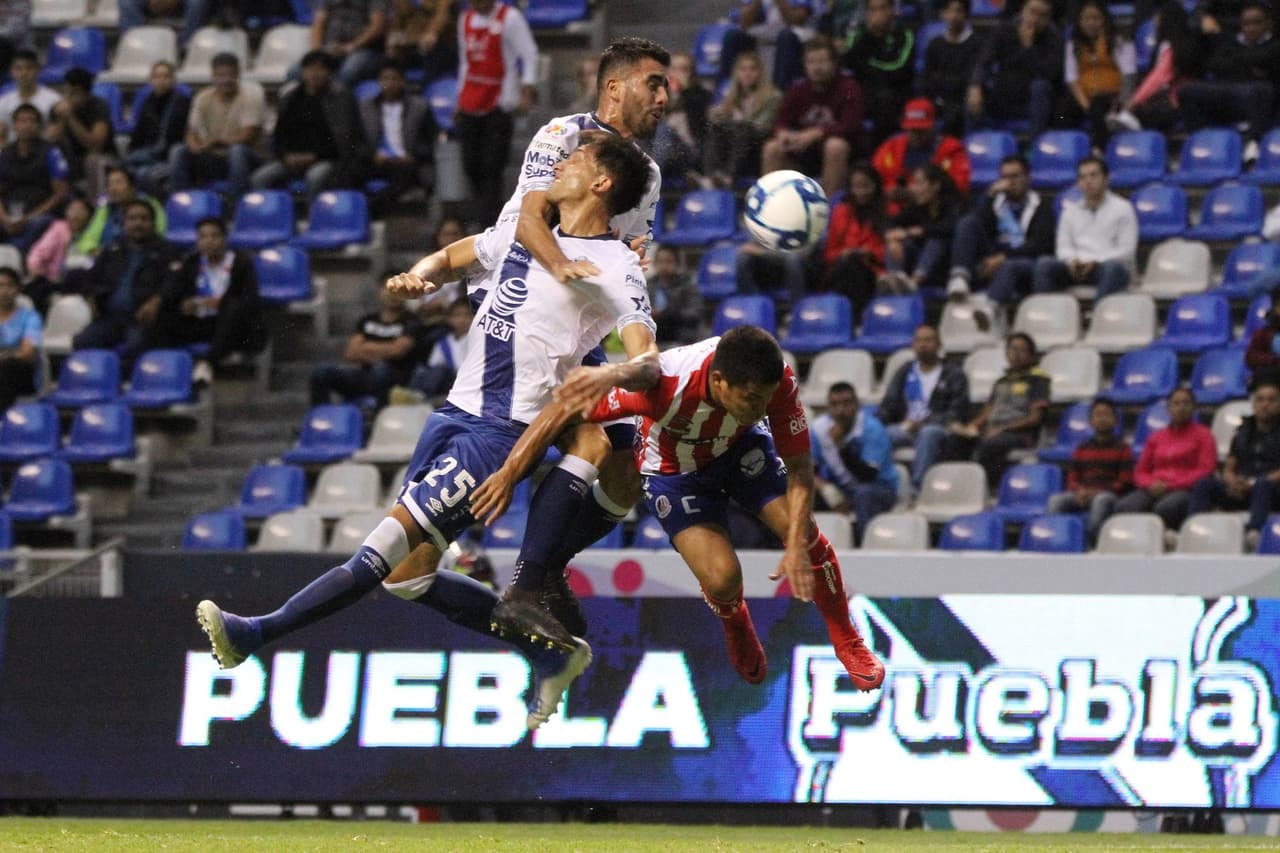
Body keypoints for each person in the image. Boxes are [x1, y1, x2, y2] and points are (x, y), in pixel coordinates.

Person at [196, 132, 658, 732]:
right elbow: (454, 257)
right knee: (406, 576)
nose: (562, 163)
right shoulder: (526, 234)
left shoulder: (616, 263)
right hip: (452, 415)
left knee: (380, 550)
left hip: (497, 434)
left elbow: (647, 354)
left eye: (577, 159)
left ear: (600, 183)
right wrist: (421, 274)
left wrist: (621, 368)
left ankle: (253, 634)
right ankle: (550, 653)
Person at [471, 326, 885, 692]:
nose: (762, 410)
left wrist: (793, 544)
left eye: (767, 400)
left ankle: (847, 638)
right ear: (719, 381)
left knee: (806, 535)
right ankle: (735, 622)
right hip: (675, 473)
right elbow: (560, 410)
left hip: (739, 449)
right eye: (752, 400)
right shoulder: (664, 385)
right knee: (723, 579)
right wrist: (509, 473)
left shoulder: (777, 384)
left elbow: (799, 470)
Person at [439, 39, 669, 637]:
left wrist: (629, 258)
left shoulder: (648, 175)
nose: (665, 98)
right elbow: (528, 220)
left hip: (582, 318)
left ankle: (543, 568)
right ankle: (510, 571)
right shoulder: (562, 135)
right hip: (523, 301)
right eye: (655, 84)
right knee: (582, 442)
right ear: (615, 87)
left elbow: (624, 245)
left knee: (626, 468)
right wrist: (567, 268)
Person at [453, 0, 538, 227]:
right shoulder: (466, 19)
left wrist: (526, 88)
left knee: (492, 166)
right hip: (471, 98)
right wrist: (459, 98)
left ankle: (489, 221)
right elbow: (464, 61)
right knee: (470, 163)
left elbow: (528, 53)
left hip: (499, 101)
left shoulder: (509, 18)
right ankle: (480, 211)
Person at [153, 217, 266, 385]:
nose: (209, 241)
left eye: (214, 236)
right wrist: (185, 303)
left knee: (233, 308)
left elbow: (250, 299)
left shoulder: (241, 262)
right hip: (201, 320)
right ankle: (162, 369)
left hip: (233, 324)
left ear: (225, 239)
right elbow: (177, 292)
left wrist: (222, 303)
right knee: (163, 313)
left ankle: (207, 362)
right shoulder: (191, 262)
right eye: (203, 237)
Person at [946, 154, 1054, 328]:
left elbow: (1040, 245)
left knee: (1009, 266)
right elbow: (977, 227)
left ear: (1027, 177)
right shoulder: (996, 203)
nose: (1010, 182)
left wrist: (1003, 257)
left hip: (1026, 263)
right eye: (1005, 177)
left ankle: (991, 309)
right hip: (993, 260)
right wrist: (990, 195)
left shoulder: (1042, 205)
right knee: (967, 223)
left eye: (1015, 176)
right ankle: (959, 278)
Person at [251, 51, 368, 201]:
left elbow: (344, 141)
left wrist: (314, 156)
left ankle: (316, 219)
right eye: (310, 69)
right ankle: (265, 220)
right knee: (259, 178)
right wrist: (286, 156)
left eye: (320, 69)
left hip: (327, 159)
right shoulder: (290, 98)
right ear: (303, 72)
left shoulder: (342, 98)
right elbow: (279, 136)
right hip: (292, 160)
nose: (315, 74)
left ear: (330, 73)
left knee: (315, 177)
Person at [72, 199, 177, 363]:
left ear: (153, 223)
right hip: (110, 318)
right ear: (124, 222)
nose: (138, 224)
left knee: (135, 347)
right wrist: (90, 297)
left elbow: (174, 282)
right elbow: (90, 278)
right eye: (132, 219)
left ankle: (125, 385)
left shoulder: (166, 250)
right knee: (82, 342)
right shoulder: (113, 248)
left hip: (142, 320)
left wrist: (157, 300)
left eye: (144, 219)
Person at [945, 332, 1050, 489]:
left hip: (1020, 434)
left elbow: (1034, 418)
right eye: (1013, 349)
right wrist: (970, 427)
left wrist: (1002, 429)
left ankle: (986, 488)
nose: (1016, 354)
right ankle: (959, 486)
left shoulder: (1038, 380)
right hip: (994, 430)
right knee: (954, 441)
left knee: (991, 444)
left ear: (1031, 355)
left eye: (1022, 350)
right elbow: (988, 412)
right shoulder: (1000, 382)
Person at [762, 38, 864, 199]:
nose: (817, 68)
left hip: (841, 154)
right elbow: (781, 121)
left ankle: (829, 208)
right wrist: (783, 133)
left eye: (822, 61)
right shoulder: (797, 90)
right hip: (803, 152)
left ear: (834, 63)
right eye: (811, 62)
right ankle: (770, 206)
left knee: (835, 146)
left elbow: (851, 125)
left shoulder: (849, 88)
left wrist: (817, 133)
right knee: (772, 148)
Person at [877, 323, 970, 492]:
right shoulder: (905, 371)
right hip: (906, 428)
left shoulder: (953, 373)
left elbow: (957, 411)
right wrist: (875, 425)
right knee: (883, 434)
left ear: (939, 344)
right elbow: (888, 404)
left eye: (928, 340)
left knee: (928, 434)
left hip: (939, 428)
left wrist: (925, 422)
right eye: (918, 340)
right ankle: (883, 484)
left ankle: (917, 488)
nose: (923, 344)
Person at [1188, 378, 1280, 542]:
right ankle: (1191, 530)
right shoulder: (1242, 431)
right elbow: (1229, 467)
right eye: (1260, 399)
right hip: (1242, 488)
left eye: (1271, 400)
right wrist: (1232, 482)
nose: (1265, 404)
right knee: (1205, 484)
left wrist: (1253, 483)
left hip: (1272, 489)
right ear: (1253, 404)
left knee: (1263, 485)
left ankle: (1254, 534)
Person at [1033, 157, 1137, 300]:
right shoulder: (1070, 211)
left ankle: (1097, 317)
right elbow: (1063, 247)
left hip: (1106, 268)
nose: (1088, 181)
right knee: (1044, 264)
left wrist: (1095, 261)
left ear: (1106, 179)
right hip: (1077, 268)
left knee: (1112, 268)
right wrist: (1072, 261)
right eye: (1082, 177)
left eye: (1093, 175)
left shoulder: (1123, 208)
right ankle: (1046, 316)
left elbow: (1126, 251)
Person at [1113, 387, 1217, 530]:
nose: (1181, 408)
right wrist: (1151, 484)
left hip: (1185, 489)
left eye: (1186, 403)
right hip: (1154, 487)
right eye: (1176, 403)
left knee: (1165, 508)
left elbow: (1206, 470)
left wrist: (1171, 485)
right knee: (1124, 506)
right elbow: (1140, 471)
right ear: (1168, 408)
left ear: (1194, 408)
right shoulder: (1157, 437)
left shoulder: (1204, 435)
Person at [1178, 1, 1280, 146]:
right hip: (1228, 92)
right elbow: (1214, 65)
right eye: (1246, 23)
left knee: (1261, 90)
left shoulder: (1275, 45)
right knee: (1186, 91)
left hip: (1261, 97)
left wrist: (1238, 61)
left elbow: (1268, 62)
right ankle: (1200, 141)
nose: (1251, 28)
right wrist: (1253, 63)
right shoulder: (1230, 42)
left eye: (1257, 23)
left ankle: (1252, 143)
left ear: (1269, 24)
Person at [169, 53, 267, 204]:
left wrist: (216, 142)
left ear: (238, 75)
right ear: (213, 76)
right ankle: (180, 205)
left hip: (247, 157)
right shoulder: (203, 97)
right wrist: (194, 145)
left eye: (231, 75)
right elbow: (191, 132)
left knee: (237, 151)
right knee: (178, 150)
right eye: (221, 75)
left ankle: (237, 208)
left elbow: (248, 136)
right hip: (214, 156)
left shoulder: (249, 97)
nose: (226, 80)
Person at [811, 381, 898, 544]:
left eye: (846, 403)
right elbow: (808, 470)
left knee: (863, 494)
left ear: (857, 405)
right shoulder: (818, 429)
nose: (841, 410)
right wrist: (827, 490)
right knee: (803, 492)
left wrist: (841, 446)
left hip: (880, 488)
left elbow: (868, 475)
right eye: (834, 404)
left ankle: (865, 545)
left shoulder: (872, 428)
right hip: (841, 487)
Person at [311, 285, 423, 410]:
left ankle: (377, 419)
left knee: (382, 369)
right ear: (380, 292)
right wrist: (386, 350)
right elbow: (351, 353)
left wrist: (367, 347)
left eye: (400, 290)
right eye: (389, 289)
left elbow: (398, 351)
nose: (394, 294)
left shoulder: (412, 321)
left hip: (396, 379)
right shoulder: (367, 320)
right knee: (322, 372)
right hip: (365, 375)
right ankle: (319, 419)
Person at [966, 0, 1062, 138]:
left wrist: (1029, 48)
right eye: (1032, 12)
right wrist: (976, 86)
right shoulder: (1004, 30)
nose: (1035, 19)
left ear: (1049, 19)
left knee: (1040, 86)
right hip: (1003, 95)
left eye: (1042, 16)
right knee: (973, 91)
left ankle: (1034, 146)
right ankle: (973, 143)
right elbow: (984, 61)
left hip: (1031, 102)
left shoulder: (1054, 38)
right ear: (1023, 10)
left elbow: (1048, 74)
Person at [1045, 397, 1133, 543]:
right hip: (1083, 494)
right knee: (1055, 501)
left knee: (1100, 500)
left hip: (1109, 495)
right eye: (1098, 415)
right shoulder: (1081, 448)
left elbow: (1124, 482)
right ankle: (1056, 541)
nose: (1102, 419)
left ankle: (1091, 544)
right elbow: (1072, 478)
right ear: (1090, 421)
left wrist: (1095, 492)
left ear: (1115, 421)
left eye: (1106, 415)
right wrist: (1080, 491)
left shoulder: (1123, 448)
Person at [358, 60, 437, 215]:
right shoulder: (365, 107)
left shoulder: (419, 106)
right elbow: (358, 140)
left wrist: (414, 156)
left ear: (402, 81)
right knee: (347, 171)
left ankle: (370, 211)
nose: (390, 83)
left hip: (407, 161)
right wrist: (373, 155)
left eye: (394, 79)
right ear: (379, 81)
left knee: (407, 175)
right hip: (377, 160)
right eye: (385, 79)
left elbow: (430, 140)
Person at [1115, 1, 1204, 134]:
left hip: (1179, 104)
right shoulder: (1161, 46)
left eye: (1158, 17)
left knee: (1140, 114)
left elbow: (1158, 78)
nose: (1154, 21)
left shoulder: (1178, 48)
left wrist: (1132, 104)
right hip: (1162, 100)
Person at [872, 97, 970, 213]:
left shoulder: (952, 149)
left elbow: (959, 188)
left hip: (934, 214)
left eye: (921, 130)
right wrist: (889, 190)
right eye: (912, 130)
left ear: (933, 126)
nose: (916, 135)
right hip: (893, 211)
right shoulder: (891, 147)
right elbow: (873, 177)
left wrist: (916, 193)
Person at [1063, 1, 1136, 151]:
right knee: (1062, 112)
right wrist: (1085, 105)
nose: (1091, 23)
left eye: (1096, 18)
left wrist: (1121, 102)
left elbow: (1128, 74)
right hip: (1084, 97)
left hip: (1112, 96)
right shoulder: (1073, 44)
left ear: (1104, 20)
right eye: (1086, 19)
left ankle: (1099, 150)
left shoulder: (1118, 40)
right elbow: (1071, 79)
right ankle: (1068, 152)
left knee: (1097, 105)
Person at [841, 0, 915, 147]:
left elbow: (898, 70)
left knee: (885, 99)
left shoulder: (905, 35)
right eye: (873, 10)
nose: (878, 14)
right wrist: (870, 35)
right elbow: (847, 62)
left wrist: (866, 67)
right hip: (863, 91)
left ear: (892, 11)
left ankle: (880, 155)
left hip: (894, 93)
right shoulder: (859, 36)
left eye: (882, 8)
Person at [703, 51, 781, 188]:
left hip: (759, 149)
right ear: (737, 73)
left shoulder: (772, 96)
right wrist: (716, 115)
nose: (747, 73)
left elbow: (763, 127)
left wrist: (737, 117)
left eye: (752, 69)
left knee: (743, 128)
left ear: (760, 73)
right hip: (736, 149)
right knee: (717, 128)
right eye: (743, 69)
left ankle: (727, 177)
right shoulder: (731, 97)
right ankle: (710, 176)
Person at [881, 163, 961, 294]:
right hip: (917, 259)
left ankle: (914, 282)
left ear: (935, 186)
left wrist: (922, 230)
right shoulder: (917, 207)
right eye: (914, 184)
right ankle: (895, 281)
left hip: (944, 266)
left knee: (937, 239)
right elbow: (890, 222)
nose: (913, 189)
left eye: (919, 183)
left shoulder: (953, 205)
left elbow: (951, 227)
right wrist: (891, 239)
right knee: (896, 242)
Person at [0, 103, 69, 252]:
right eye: (22, 121)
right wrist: (4, 218)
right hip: (8, 212)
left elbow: (60, 193)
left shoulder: (51, 153)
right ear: (14, 126)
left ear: (40, 126)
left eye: (32, 121)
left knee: (40, 224)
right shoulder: (4, 154)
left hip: (39, 213)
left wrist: (29, 218)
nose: (27, 125)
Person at [819, 161, 885, 316]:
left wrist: (869, 252)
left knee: (854, 267)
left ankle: (850, 318)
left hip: (873, 271)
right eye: (857, 187)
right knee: (848, 266)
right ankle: (847, 318)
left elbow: (887, 249)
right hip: (842, 269)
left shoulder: (886, 210)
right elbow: (829, 253)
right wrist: (844, 253)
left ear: (875, 186)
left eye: (866, 186)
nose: (861, 192)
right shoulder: (841, 211)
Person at [46, 67, 117, 199]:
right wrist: (62, 118)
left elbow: (96, 145)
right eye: (67, 91)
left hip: (103, 158)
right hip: (72, 159)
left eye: (75, 93)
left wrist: (71, 118)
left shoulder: (99, 106)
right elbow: (50, 139)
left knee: (92, 160)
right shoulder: (58, 108)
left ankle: (97, 206)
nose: (69, 96)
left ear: (86, 93)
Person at [124, 61, 191, 194]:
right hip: (147, 155)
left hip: (169, 158)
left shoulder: (182, 103)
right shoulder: (148, 102)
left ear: (173, 80)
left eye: (166, 76)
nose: (161, 80)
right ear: (151, 80)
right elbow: (138, 133)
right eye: (157, 76)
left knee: (144, 174)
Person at [652, 52, 713, 189]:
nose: (678, 74)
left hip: (689, 152)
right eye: (674, 69)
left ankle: (649, 185)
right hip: (663, 152)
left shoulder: (700, 95)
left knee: (664, 131)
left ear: (692, 73)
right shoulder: (657, 95)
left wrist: (686, 90)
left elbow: (700, 121)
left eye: (684, 69)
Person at [76, 166, 167, 257]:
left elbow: (160, 235)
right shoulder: (105, 209)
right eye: (110, 184)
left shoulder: (149, 205)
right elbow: (86, 240)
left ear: (132, 187)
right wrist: (95, 251)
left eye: (118, 183)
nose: (113, 188)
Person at [920, 0, 980, 137]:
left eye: (958, 11)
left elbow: (970, 77)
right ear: (943, 14)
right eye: (949, 11)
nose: (953, 16)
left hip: (962, 101)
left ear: (966, 15)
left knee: (957, 113)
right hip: (939, 99)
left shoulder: (976, 43)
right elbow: (928, 77)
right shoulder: (935, 44)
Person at [24, 195, 94, 312]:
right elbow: (38, 253)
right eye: (71, 209)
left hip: (80, 279)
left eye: (80, 210)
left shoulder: (92, 234)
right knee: (35, 290)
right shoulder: (59, 228)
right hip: (54, 278)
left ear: (89, 215)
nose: (75, 214)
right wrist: (34, 268)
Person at [400, 295, 472, 401]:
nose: (463, 319)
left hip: (467, 379)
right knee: (423, 370)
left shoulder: (478, 339)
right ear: (449, 319)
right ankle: (416, 393)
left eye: (468, 315)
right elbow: (434, 366)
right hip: (448, 380)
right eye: (457, 315)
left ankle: (421, 395)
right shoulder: (443, 342)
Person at [309, 0, 389, 86]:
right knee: (303, 68)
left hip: (363, 49)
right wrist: (317, 53)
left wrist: (349, 47)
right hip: (331, 47)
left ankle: (333, 95)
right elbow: (318, 23)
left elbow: (377, 27)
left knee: (350, 70)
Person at [0, 265, 39, 413]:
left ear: (18, 289)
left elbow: (28, 353)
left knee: (5, 368)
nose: (4, 291)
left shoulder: (30, 318)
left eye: (10, 285)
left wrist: (4, 357)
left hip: (21, 374)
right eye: (0, 286)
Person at [0, 49, 60, 144]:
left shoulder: (53, 100)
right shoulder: (4, 102)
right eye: (18, 69)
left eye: (29, 68)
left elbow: (55, 136)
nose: (24, 73)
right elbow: (1, 137)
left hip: (43, 154)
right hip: (12, 155)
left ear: (38, 70)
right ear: (11, 71)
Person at [648, 244, 702, 345]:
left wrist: (668, 313)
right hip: (655, 336)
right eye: (660, 261)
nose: (664, 266)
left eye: (668, 261)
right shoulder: (648, 285)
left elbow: (694, 313)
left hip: (679, 335)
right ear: (655, 263)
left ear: (677, 264)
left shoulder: (687, 285)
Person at [1246, 289, 1280, 373]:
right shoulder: (1263, 334)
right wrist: (1273, 360)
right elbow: (1250, 357)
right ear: (1275, 308)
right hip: (1272, 378)